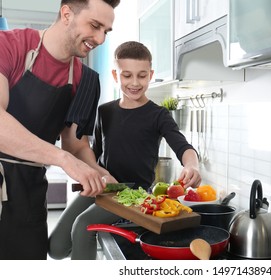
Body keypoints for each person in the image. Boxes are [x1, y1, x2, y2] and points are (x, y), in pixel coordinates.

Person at [48, 41, 201, 260]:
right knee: (56, 248)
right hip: (102, 186)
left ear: (150, 75)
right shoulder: (104, 111)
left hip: (133, 195)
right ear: (115, 74)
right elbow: (95, 153)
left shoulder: (159, 115)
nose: (135, 83)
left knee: (83, 227)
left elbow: (183, 147)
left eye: (142, 75)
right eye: (127, 75)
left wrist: (192, 165)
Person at [0, 0, 121, 260]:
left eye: (106, 31)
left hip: (31, 195)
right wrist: (62, 159)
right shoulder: (9, 46)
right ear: (66, 14)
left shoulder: (86, 81)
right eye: (95, 25)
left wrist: (97, 173)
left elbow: (75, 145)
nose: (100, 38)